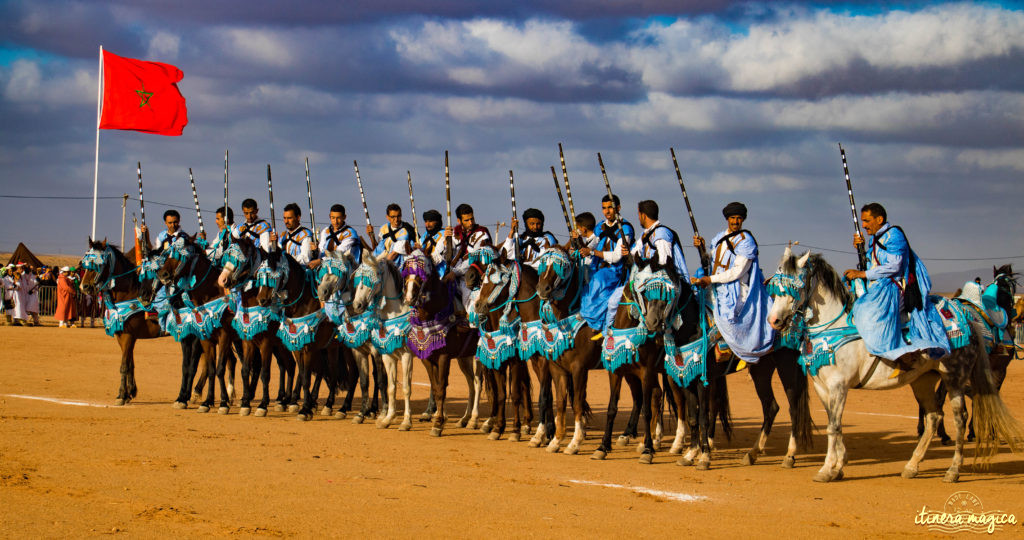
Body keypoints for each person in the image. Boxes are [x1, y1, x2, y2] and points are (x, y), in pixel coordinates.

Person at [842, 203, 950, 374]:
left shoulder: (894, 235)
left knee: (868, 311)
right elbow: (873, 264)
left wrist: (862, 274)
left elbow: (894, 266)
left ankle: (902, 355)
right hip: (878, 286)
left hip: (895, 286)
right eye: (862, 221)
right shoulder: (875, 239)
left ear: (879, 219)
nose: (863, 225)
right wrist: (861, 249)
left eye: (867, 220)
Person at [692, 201, 775, 367]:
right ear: (727, 219)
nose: (735, 222)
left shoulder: (746, 242)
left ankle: (732, 349)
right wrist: (701, 249)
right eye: (732, 218)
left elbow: (737, 272)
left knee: (728, 319)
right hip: (715, 286)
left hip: (737, 290)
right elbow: (711, 264)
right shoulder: (718, 238)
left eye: (738, 218)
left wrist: (710, 280)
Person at [578, 194, 635, 336]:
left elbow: (616, 257)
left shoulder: (625, 229)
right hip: (598, 267)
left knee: (598, 279)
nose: (607, 211)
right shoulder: (600, 227)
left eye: (610, 208)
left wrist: (592, 252)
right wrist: (579, 243)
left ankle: (598, 322)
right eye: (604, 208)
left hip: (616, 271)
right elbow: (592, 244)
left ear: (618, 208)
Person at [448, 203, 493, 316]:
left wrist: (455, 272)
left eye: (472, 219)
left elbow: (473, 258)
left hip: (472, 276)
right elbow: (448, 255)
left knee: (469, 301)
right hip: (452, 273)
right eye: (467, 220)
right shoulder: (455, 233)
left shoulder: (481, 233)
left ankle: (474, 324)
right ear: (459, 220)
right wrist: (446, 240)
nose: (470, 222)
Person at [419, 209, 449, 273]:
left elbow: (438, 257)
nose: (427, 224)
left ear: (437, 222)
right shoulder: (425, 236)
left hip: (441, 273)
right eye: (426, 221)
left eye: (430, 221)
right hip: (425, 270)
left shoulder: (444, 235)